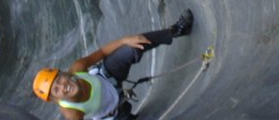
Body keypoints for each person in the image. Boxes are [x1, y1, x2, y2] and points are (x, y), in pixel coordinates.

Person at [32, 9, 194, 119]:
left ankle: (175, 31)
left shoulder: (77, 68)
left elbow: (102, 52)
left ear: (63, 73)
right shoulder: (72, 112)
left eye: (59, 80)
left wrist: (125, 40)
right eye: (57, 90)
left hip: (108, 77)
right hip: (114, 113)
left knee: (131, 47)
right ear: (55, 98)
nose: (63, 85)